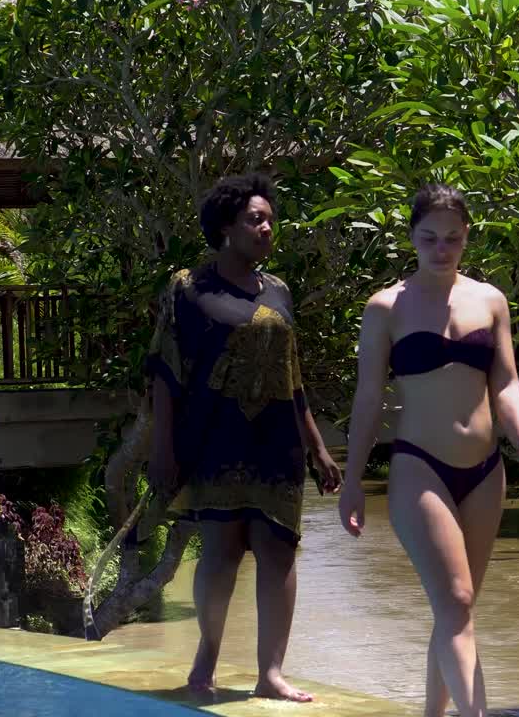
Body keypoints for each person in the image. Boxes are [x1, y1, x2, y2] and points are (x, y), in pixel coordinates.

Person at [338, 184, 519, 717]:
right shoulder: (385, 307)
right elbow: (368, 400)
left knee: (457, 611)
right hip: (419, 467)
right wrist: (352, 479)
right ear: (411, 236)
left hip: (485, 471)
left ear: (466, 237)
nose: (441, 249)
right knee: (455, 603)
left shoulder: (490, 300)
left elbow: (505, 383)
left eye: (452, 238)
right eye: (429, 237)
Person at [145, 172, 342, 703]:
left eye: (270, 220)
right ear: (227, 227)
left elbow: (292, 376)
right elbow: (164, 371)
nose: (267, 228)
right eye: (256, 219)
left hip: (277, 442)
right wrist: (162, 448)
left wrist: (318, 447)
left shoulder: (278, 291)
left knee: (279, 551)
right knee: (221, 553)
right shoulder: (188, 287)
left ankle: (270, 674)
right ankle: (206, 659)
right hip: (215, 439)